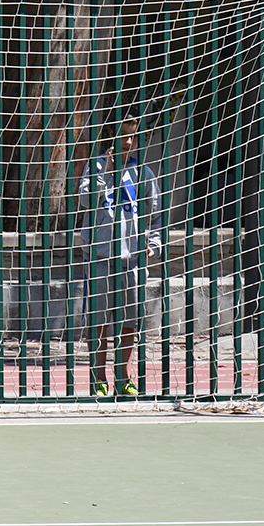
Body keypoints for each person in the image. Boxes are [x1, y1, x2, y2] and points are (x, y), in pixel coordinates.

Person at [78, 113, 161, 397]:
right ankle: (99, 377)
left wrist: (154, 243)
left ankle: (124, 376)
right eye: (122, 135)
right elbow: (85, 201)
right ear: (110, 137)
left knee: (130, 320)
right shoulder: (95, 168)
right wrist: (107, 172)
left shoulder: (143, 173)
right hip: (100, 257)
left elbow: (155, 214)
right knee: (99, 320)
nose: (127, 141)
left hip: (132, 259)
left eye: (133, 136)